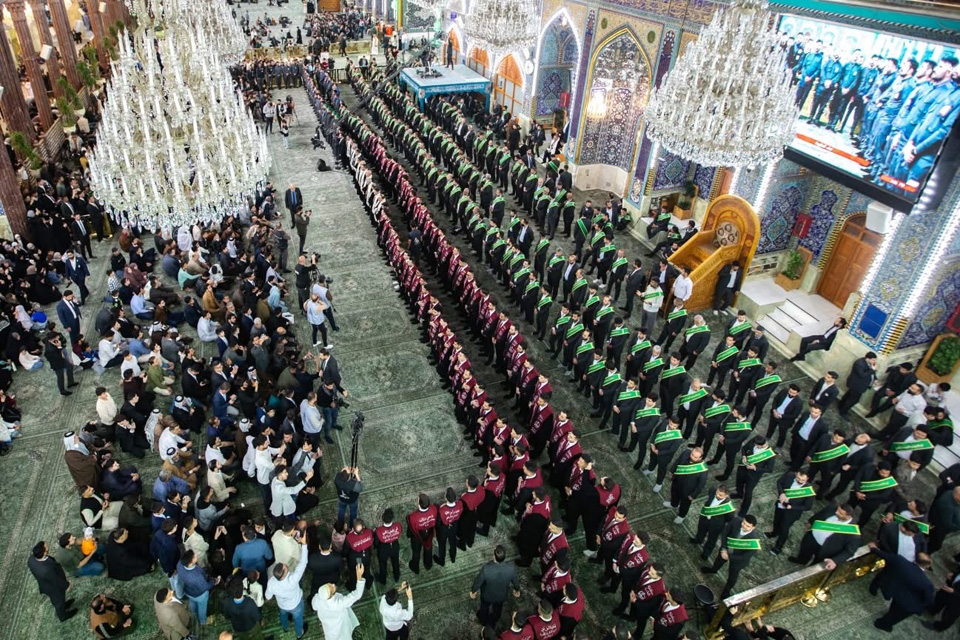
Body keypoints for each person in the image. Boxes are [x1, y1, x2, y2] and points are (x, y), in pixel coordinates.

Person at [868, 544, 934, 631]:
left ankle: (885, 620)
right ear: (927, 566)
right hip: (907, 603)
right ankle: (881, 624)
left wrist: (874, 548)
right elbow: (928, 600)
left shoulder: (900, 561)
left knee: (893, 610)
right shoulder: (926, 583)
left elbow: (885, 555)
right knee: (895, 616)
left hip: (895, 591)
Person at [702, 514, 761, 599]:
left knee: (732, 577)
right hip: (726, 550)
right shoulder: (736, 521)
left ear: (753, 527)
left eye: (747, 526)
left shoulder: (753, 541)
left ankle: (726, 591)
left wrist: (729, 557)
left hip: (738, 560)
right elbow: (725, 533)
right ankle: (713, 570)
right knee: (718, 561)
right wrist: (724, 549)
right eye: (743, 523)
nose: (744, 526)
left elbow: (744, 557)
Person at [312, 561, 366, 640]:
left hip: (329, 629)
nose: (333, 585)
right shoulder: (338, 604)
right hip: (341, 626)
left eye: (329, 584)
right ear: (330, 596)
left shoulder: (317, 599)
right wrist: (359, 577)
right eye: (332, 588)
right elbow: (357, 594)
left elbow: (314, 607)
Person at [266, 540, 309, 638]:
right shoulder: (293, 579)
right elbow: (303, 563)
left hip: (282, 605)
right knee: (298, 620)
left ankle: (285, 627)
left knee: (283, 616)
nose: (286, 565)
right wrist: (304, 545)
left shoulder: (271, 582)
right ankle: (299, 634)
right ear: (283, 575)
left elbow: (268, 596)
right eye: (285, 567)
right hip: (295, 604)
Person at [471, 545, 520, 629]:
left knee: (484, 607)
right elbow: (515, 581)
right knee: (497, 609)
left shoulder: (486, 569)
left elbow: (478, 581)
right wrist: (517, 590)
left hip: (487, 595)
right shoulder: (511, 568)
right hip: (501, 595)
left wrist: (473, 591)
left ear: (494, 556)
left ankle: (483, 620)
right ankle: (492, 622)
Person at [28, 541, 77, 621]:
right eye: (46, 546)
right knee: (58, 601)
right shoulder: (46, 570)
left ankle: (64, 605)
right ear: (44, 553)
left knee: (60, 600)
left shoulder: (31, 559)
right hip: (53, 588)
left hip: (46, 583)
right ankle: (62, 616)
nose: (47, 545)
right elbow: (56, 580)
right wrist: (66, 585)